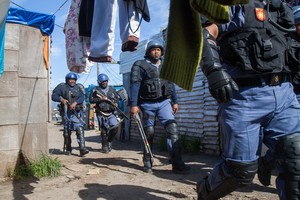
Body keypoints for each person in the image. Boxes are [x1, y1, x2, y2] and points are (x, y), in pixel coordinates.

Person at [196, 1, 300, 199]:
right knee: (240, 171)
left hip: (285, 92)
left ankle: (269, 165)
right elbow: (205, 34)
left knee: (296, 156)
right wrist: (213, 70)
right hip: (244, 97)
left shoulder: (282, 9)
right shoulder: (233, 6)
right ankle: (205, 191)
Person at [130, 39, 191, 174]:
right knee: (149, 132)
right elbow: (135, 85)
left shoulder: (165, 65)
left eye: (158, 50)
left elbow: (171, 83)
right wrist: (134, 105)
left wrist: (175, 101)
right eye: (153, 49)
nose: (156, 52)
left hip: (164, 102)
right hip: (147, 103)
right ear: (148, 51)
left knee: (172, 128)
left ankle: (177, 163)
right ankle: (147, 161)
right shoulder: (140, 65)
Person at [51, 72, 89, 156]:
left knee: (79, 129)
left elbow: (82, 97)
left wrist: (75, 103)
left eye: (74, 80)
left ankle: (82, 148)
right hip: (65, 113)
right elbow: (53, 96)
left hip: (76, 113)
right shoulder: (62, 87)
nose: (72, 81)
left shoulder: (78, 87)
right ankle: (68, 149)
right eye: (70, 79)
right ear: (67, 80)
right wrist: (62, 100)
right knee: (67, 132)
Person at [89, 73, 120, 153]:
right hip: (101, 113)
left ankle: (109, 141)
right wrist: (100, 99)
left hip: (111, 112)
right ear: (99, 82)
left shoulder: (112, 89)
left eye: (106, 81)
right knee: (104, 130)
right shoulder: (95, 90)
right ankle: (104, 146)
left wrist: (116, 103)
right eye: (103, 81)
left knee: (115, 126)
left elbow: (116, 98)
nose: (105, 83)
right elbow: (91, 100)